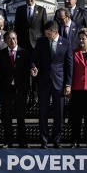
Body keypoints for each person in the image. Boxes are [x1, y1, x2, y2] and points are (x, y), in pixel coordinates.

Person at [31, 20, 73, 148]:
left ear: (56, 32)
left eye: (49, 34)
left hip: (59, 82)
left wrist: (68, 83)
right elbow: (34, 59)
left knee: (59, 112)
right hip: (43, 81)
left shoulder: (66, 43)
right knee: (42, 112)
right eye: (46, 33)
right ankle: (43, 139)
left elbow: (69, 64)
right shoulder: (41, 42)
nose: (47, 36)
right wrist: (34, 67)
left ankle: (57, 139)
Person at [0, 31, 31, 148]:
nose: (12, 41)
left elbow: (28, 70)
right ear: (5, 41)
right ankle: (8, 141)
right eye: (10, 39)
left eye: (14, 38)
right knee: (7, 117)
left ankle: (22, 141)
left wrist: (33, 72)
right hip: (5, 90)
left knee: (21, 117)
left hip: (20, 90)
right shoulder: (0, 54)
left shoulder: (24, 52)